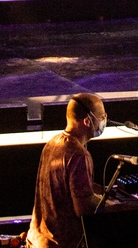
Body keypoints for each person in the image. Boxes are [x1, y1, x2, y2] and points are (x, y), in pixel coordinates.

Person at [26, 93, 106, 248]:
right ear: (87, 121)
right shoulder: (79, 155)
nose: (103, 121)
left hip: (37, 240)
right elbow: (83, 209)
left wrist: (94, 189)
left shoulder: (53, 143)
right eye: (101, 117)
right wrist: (117, 208)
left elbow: (61, 188)